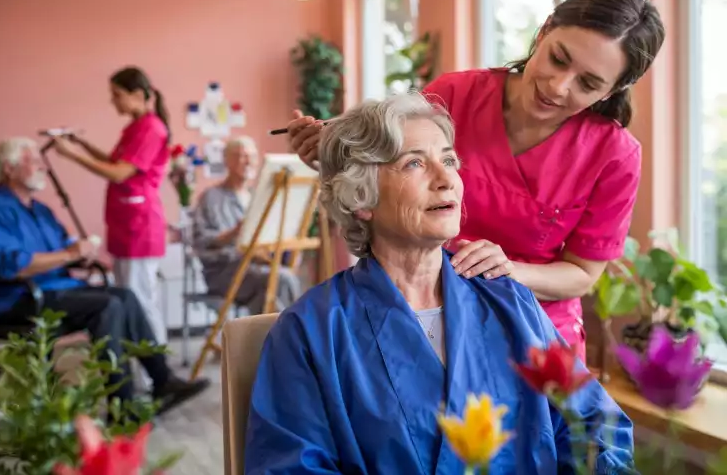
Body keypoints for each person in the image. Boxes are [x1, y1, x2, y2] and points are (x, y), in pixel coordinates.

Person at [246, 93, 634, 474]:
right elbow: (289, 467)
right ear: (361, 198)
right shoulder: (312, 330)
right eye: (415, 163)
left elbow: (596, 427)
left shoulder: (508, 299)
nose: (446, 179)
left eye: (449, 160)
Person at [286, 0, 666, 362]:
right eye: (558, 58)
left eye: (587, 83)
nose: (558, 86)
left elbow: (582, 274)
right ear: (545, 30)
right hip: (427, 314)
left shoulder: (615, 156)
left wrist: (509, 271)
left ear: (611, 90)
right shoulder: (455, 95)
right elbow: (385, 173)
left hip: (537, 335)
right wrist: (333, 155)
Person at [0, 137, 210, 414]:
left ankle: (162, 381)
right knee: (107, 305)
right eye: (33, 161)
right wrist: (69, 254)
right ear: (9, 169)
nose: (43, 167)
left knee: (125, 296)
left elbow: (65, 247)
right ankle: (122, 406)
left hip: (54, 290)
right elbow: (13, 266)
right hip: (14, 299)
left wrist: (83, 253)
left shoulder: (40, 210)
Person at [50, 66, 170, 346]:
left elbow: (118, 173)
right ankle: (140, 365)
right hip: (125, 225)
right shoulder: (135, 127)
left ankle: (156, 365)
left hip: (139, 228)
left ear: (137, 94)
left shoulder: (151, 129)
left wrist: (72, 155)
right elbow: (114, 161)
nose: (113, 101)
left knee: (140, 301)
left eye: (117, 95)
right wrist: (82, 144)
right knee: (128, 297)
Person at [192, 136, 301, 314]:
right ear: (226, 160)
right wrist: (233, 233)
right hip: (224, 272)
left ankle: (269, 330)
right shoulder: (211, 197)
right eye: (241, 156)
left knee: (270, 292)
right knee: (282, 279)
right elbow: (200, 243)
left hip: (256, 269)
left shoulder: (257, 196)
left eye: (252, 156)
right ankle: (287, 330)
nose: (248, 161)